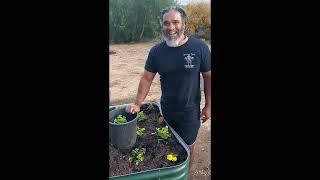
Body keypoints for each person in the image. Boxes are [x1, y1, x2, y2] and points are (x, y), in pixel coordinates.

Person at [126, 6, 211, 176]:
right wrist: (137, 103)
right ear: (162, 26)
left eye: (175, 22)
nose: (171, 27)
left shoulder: (199, 48)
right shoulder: (156, 52)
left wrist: (209, 105)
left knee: (188, 149)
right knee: (167, 145)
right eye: (166, 23)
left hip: (190, 112)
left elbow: (208, 77)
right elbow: (146, 78)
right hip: (166, 111)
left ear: (184, 24)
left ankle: (184, 175)